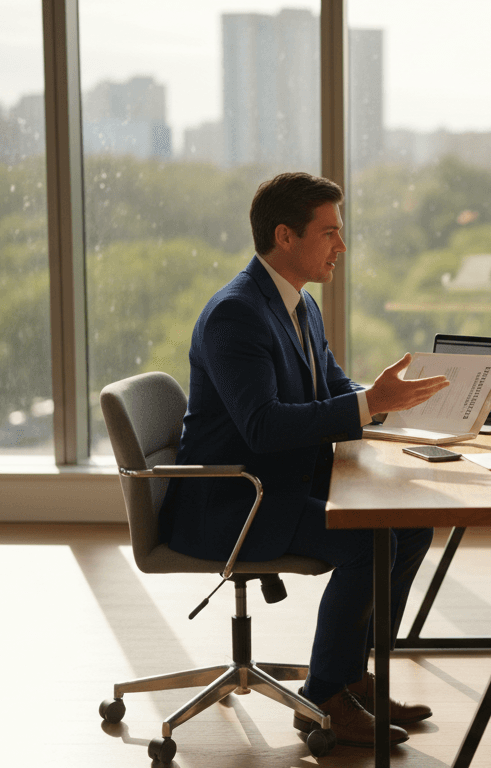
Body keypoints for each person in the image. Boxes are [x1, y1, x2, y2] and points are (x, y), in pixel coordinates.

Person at [160, 172, 450, 748]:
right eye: (330, 233)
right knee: (372, 541)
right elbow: (263, 427)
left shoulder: (300, 305)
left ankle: (353, 676)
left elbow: (333, 390)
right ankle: (323, 699)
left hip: (280, 484)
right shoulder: (236, 315)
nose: (341, 246)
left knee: (413, 522)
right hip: (236, 501)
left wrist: (391, 403)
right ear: (285, 236)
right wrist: (369, 404)